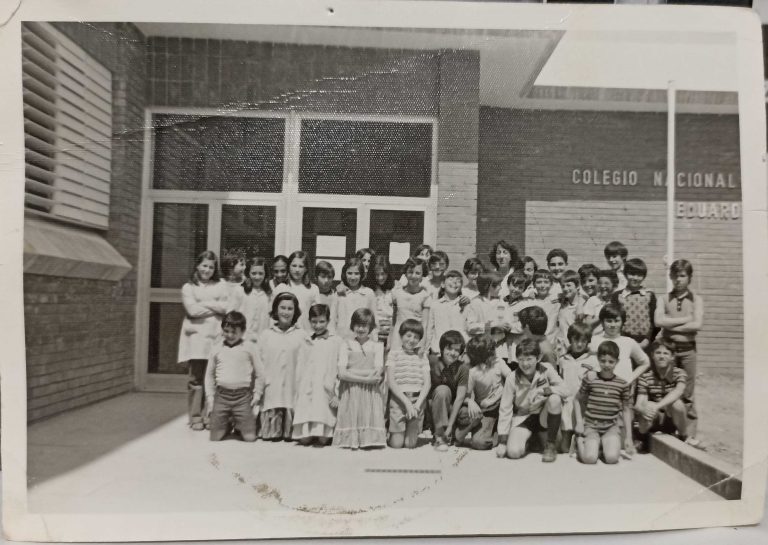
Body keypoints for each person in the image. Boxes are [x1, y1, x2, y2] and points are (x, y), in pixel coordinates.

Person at [654, 259, 704, 447]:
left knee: (688, 392)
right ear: (670, 277)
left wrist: (670, 325)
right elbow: (658, 321)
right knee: (667, 387)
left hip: (688, 350)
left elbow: (697, 324)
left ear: (689, 277)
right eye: (675, 276)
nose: (678, 280)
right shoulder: (664, 299)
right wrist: (685, 320)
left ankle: (689, 434)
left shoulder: (696, 299)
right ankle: (668, 428)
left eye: (682, 276)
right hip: (669, 350)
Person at [177, 250, 229, 431]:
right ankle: (196, 416)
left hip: (216, 336)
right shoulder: (188, 287)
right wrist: (215, 307)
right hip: (197, 338)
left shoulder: (221, 285)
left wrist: (204, 304)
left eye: (211, 267)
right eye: (204, 266)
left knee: (215, 378)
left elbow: (227, 307)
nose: (207, 270)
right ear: (197, 266)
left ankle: (211, 415)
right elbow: (192, 311)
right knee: (196, 379)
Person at [496, 338, 566, 462]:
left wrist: (545, 390)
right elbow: (505, 408)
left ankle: (550, 445)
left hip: (544, 417)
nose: (525, 364)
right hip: (524, 418)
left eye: (529, 359)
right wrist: (502, 441)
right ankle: (531, 439)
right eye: (521, 359)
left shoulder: (546, 368)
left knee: (555, 399)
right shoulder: (512, 377)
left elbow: (566, 390)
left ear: (538, 358)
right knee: (513, 452)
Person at [204, 311, 265, 442]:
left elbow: (260, 373)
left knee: (250, 438)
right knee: (215, 438)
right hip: (221, 396)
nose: (230, 335)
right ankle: (227, 423)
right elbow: (209, 376)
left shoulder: (249, 347)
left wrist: (257, 395)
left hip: (243, 397)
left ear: (242, 332)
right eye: (226, 331)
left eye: (234, 332)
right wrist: (210, 398)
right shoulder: (216, 348)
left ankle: (239, 422)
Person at [333, 308, 386, 449]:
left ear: (371, 327)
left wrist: (352, 373)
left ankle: (368, 440)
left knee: (368, 413)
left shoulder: (377, 346)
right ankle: (352, 440)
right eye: (358, 325)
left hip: (370, 392)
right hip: (351, 390)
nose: (361, 329)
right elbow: (342, 373)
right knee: (352, 413)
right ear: (352, 325)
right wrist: (366, 379)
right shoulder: (346, 345)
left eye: (364, 325)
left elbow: (377, 372)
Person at [257, 292, 306, 440]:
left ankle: (290, 428)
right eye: (282, 308)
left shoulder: (302, 335)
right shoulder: (266, 335)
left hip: (293, 388)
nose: (286, 312)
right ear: (276, 310)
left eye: (290, 308)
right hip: (272, 388)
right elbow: (259, 363)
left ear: (295, 312)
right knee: (271, 436)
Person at [575, 340, 633, 464]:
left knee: (612, 458)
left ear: (617, 361)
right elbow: (577, 399)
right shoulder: (590, 379)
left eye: (611, 362)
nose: (606, 364)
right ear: (598, 359)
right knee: (590, 459)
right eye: (603, 361)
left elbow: (626, 410)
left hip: (610, 428)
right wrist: (579, 422)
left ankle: (601, 445)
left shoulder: (622, 384)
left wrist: (628, 437)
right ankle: (579, 441)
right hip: (591, 426)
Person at [292, 304, 341, 446]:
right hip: (308, 385)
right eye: (314, 322)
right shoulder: (306, 340)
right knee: (304, 440)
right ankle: (307, 429)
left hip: (325, 386)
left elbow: (338, 367)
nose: (318, 325)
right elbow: (301, 365)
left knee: (323, 439)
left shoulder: (335, 341)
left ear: (328, 321)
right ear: (309, 321)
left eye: (322, 321)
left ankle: (324, 430)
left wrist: (336, 391)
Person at [455, 334, 512, 450]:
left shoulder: (499, 362)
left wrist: (496, 397)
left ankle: (504, 433)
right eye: (492, 351)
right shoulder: (473, 372)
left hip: (502, 405)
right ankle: (494, 432)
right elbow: (464, 395)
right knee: (479, 442)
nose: (495, 353)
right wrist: (470, 402)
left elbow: (512, 380)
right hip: (487, 411)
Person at [634, 338, 689, 452]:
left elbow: (678, 391)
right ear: (652, 355)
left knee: (677, 404)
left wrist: (657, 406)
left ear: (672, 357)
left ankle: (683, 437)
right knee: (647, 405)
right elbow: (638, 404)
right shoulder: (645, 377)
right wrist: (643, 409)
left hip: (672, 417)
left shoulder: (679, 373)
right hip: (654, 417)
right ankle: (642, 438)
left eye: (666, 353)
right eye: (658, 353)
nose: (661, 356)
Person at [386, 319, 431, 449]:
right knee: (397, 444)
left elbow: (427, 383)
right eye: (408, 335)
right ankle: (392, 432)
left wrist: (417, 405)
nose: (412, 340)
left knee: (410, 445)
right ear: (401, 336)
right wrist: (406, 403)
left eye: (416, 337)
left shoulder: (422, 356)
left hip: (417, 400)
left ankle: (409, 431)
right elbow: (391, 381)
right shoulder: (394, 354)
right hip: (399, 399)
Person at [557, 322, 597, 454]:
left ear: (588, 341)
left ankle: (580, 439)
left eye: (583, 341)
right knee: (564, 449)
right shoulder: (562, 359)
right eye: (576, 340)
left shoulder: (593, 360)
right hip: (567, 405)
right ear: (570, 339)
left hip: (584, 406)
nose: (579, 344)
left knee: (583, 446)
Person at [428, 330, 469, 451]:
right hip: (433, 406)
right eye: (449, 348)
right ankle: (440, 436)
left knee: (469, 412)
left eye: (457, 350)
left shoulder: (463, 368)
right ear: (442, 348)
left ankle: (452, 432)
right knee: (443, 390)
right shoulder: (433, 361)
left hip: (452, 408)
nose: (453, 353)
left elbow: (460, 398)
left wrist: (450, 425)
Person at [588, 304, 650, 385]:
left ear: (622, 322)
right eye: (609, 321)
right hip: (598, 387)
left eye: (616, 321)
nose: (613, 325)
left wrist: (630, 378)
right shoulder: (594, 340)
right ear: (602, 322)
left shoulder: (628, 342)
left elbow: (645, 363)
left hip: (621, 388)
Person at [610, 257, 656, 348]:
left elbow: (654, 321)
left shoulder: (649, 295)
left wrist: (647, 340)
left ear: (644, 276)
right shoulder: (617, 295)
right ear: (625, 274)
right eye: (632, 274)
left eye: (639, 275)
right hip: (623, 341)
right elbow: (614, 320)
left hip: (645, 342)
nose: (635, 278)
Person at [425, 270, 468, 365]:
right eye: (451, 279)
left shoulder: (466, 305)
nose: (455, 282)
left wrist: (466, 351)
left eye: (458, 281)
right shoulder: (435, 305)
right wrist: (426, 351)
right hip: (438, 352)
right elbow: (429, 330)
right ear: (443, 284)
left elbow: (468, 328)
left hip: (458, 354)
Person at [228, 257, 272, 346]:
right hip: (242, 340)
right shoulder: (240, 291)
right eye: (254, 273)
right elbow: (230, 315)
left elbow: (271, 318)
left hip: (262, 340)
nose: (257, 277)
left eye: (261, 273)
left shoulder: (269, 293)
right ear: (248, 273)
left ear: (265, 274)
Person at [390, 257, 431, 352]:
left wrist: (422, 345)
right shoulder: (397, 293)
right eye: (410, 272)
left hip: (415, 339)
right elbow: (394, 321)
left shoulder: (425, 296)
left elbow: (424, 324)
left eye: (417, 273)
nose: (413, 276)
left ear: (423, 275)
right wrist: (390, 340)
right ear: (405, 273)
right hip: (398, 338)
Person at [272, 251, 319, 332]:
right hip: (285, 333)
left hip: (306, 333)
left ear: (306, 269)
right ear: (289, 267)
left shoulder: (313, 289)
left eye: (301, 266)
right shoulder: (281, 288)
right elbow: (272, 315)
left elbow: (317, 315)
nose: (297, 270)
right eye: (294, 266)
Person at [335, 257, 378, 341]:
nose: (353, 277)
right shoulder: (339, 294)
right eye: (349, 273)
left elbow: (374, 321)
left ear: (362, 275)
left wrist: (373, 341)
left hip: (362, 340)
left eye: (356, 273)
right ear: (344, 274)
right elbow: (332, 320)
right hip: (342, 340)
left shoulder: (368, 293)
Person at [367, 255, 395, 346]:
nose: (380, 278)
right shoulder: (368, 290)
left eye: (383, 274)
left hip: (391, 335)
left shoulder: (395, 288)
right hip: (373, 335)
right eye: (377, 274)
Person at [555, 270, 584, 355]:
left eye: (568, 285)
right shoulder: (563, 304)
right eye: (563, 286)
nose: (565, 289)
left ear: (577, 286)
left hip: (575, 349)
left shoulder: (582, 306)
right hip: (561, 350)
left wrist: (580, 303)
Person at [583, 269, 618, 336]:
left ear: (614, 286)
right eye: (600, 283)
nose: (602, 286)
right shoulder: (593, 300)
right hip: (595, 338)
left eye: (606, 283)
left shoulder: (616, 301)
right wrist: (603, 313)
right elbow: (587, 324)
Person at [531, 269, 560, 346]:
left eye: (546, 282)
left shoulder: (556, 301)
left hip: (552, 343)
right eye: (539, 282)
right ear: (534, 284)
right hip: (534, 343)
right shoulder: (530, 302)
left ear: (551, 284)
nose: (542, 286)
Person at [314, 260, 338, 334]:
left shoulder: (335, 295)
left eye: (329, 277)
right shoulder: (312, 295)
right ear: (316, 277)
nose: (326, 280)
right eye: (323, 277)